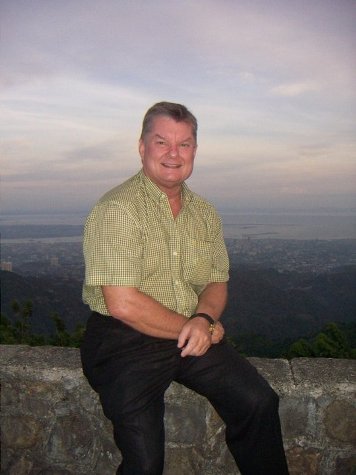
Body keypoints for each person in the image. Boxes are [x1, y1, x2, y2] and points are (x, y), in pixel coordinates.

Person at [80, 101, 289, 475]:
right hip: (123, 341)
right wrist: (200, 328)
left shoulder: (204, 212)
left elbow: (216, 281)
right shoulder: (118, 209)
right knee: (144, 461)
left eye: (185, 144)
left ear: (195, 150)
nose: (173, 154)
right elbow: (123, 303)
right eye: (162, 142)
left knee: (258, 402)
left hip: (188, 331)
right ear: (142, 147)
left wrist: (205, 316)